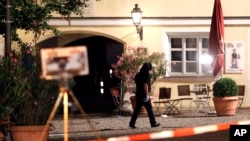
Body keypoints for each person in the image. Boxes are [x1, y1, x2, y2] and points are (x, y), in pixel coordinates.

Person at [129, 62, 160, 129]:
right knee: (149, 109)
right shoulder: (146, 75)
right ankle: (153, 123)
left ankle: (132, 123)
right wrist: (147, 94)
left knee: (137, 110)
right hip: (143, 94)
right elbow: (145, 85)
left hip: (138, 94)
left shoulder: (137, 75)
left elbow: (137, 84)